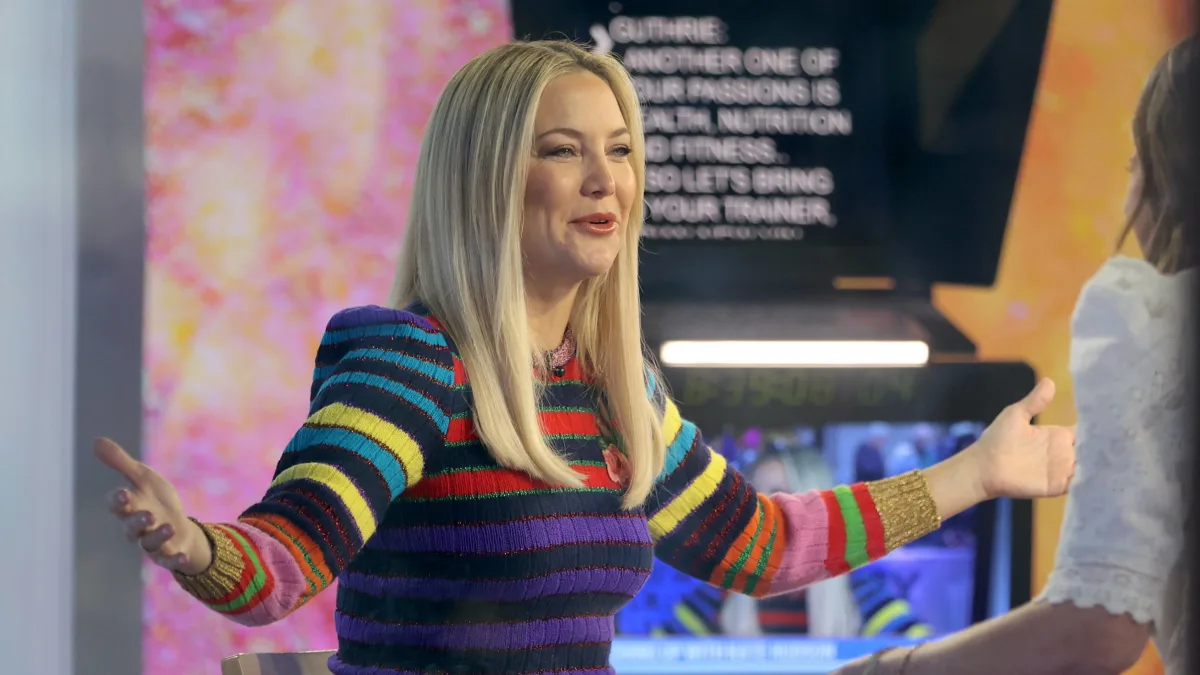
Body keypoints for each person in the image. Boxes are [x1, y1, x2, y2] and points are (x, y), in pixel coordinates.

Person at [95, 40, 1075, 675]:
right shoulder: (407, 361)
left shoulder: (613, 388)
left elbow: (763, 546)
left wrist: (974, 475)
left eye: (620, 149)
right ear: (488, 179)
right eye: (562, 150)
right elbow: (286, 562)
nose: (605, 180)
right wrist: (194, 547)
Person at [834, 36, 1197, 675]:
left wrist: (883, 670)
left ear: (1173, 179)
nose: (1128, 190)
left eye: (1137, 162)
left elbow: (1091, 634)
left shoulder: (1158, 320)